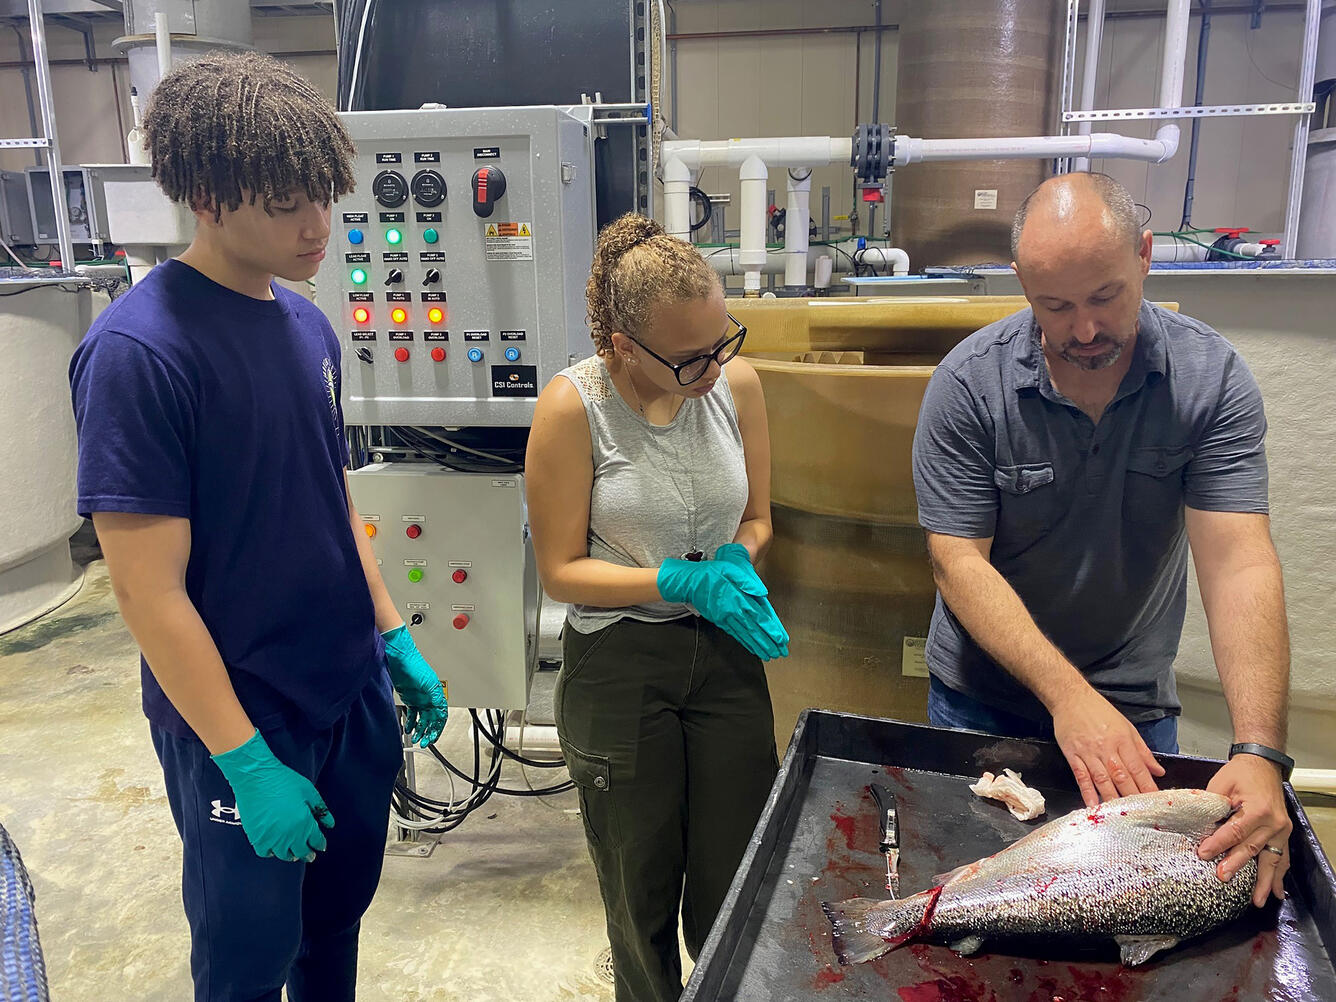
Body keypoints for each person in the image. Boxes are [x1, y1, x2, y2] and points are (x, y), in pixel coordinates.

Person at [68, 51, 447, 1002]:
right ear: (204, 193)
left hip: (344, 688)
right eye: (285, 202)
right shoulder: (137, 353)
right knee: (247, 958)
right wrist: (246, 761)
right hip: (242, 713)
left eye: (324, 194)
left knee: (335, 928)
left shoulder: (308, 325)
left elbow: (333, 503)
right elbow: (146, 592)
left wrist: (392, 634)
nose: (318, 226)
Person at [911, 171, 1293, 909]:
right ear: (1021, 283)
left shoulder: (1209, 379)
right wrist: (1066, 697)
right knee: (974, 909)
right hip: (980, 700)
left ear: (1146, 256)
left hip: (1135, 703)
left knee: (1129, 915)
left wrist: (1258, 749)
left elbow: (1238, 562)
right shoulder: (967, 385)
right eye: (1054, 307)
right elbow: (958, 562)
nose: (1085, 329)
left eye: (1105, 297)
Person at [525, 213, 789, 1001]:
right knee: (638, 886)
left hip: (725, 655)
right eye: (689, 359)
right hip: (620, 665)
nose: (713, 367)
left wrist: (738, 561)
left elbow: (759, 517)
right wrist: (673, 580)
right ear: (621, 348)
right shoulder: (575, 409)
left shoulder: (735, 386)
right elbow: (562, 573)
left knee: (736, 870)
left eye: (723, 342)